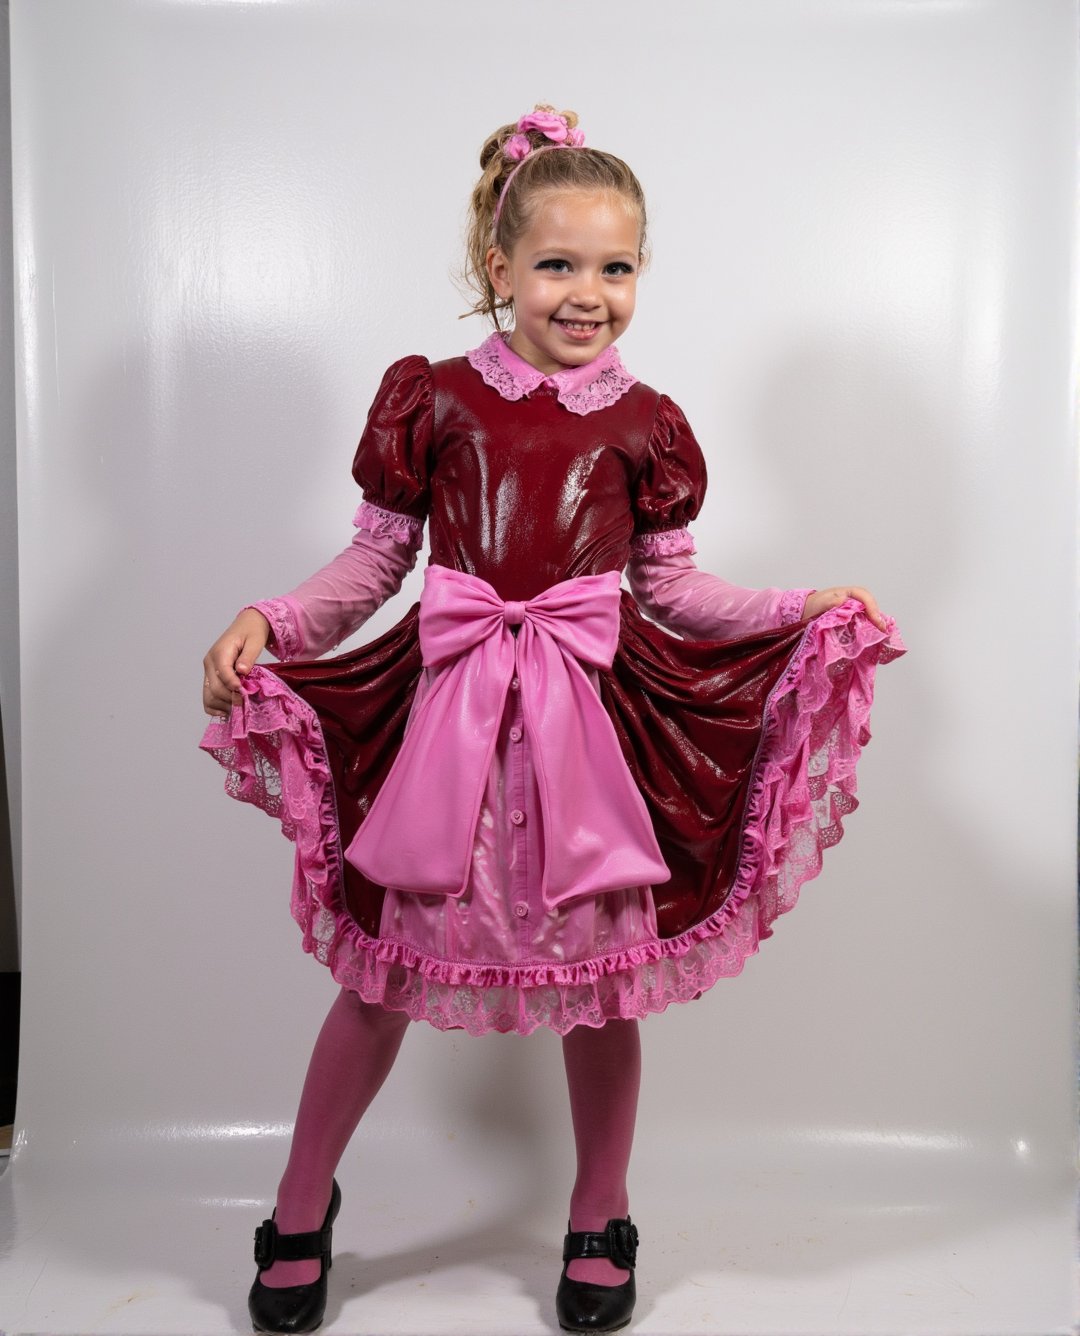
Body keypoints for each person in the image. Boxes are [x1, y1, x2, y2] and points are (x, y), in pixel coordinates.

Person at [200, 104, 904, 1335]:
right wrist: (276, 619)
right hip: (452, 739)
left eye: (617, 267)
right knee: (380, 981)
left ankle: (599, 1210)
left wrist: (801, 605)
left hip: (594, 741)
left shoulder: (647, 423)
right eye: (560, 264)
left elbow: (675, 588)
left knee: (603, 989)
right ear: (500, 266)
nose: (589, 294)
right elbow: (374, 567)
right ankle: (302, 1203)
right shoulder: (435, 399)